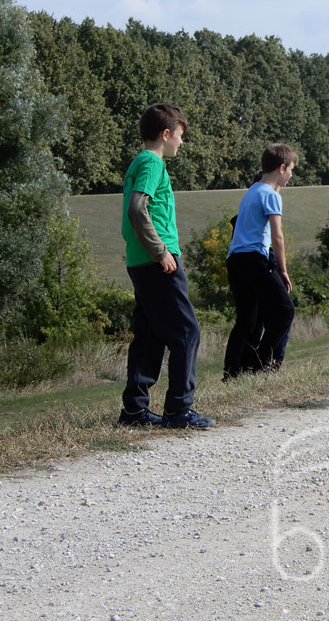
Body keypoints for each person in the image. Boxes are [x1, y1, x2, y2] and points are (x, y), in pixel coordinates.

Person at [119, 103, 214, 429]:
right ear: (165, 134)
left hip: (139, 260)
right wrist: (161, 252)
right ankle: (178, 410)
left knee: (149, 334)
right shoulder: (152, 163)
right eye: (179, 135)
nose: (181, 142)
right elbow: (137, 209)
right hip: (157, 261)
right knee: (187, 331)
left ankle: (134, 410)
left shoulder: (138, 162)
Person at [223, 145, 297, 378]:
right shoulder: (271, 195)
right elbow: (277, 237)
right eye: (291, 170)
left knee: (247, 319)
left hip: (235, 260)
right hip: (255, 259)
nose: (291, 176)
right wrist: (283, 270)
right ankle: (258, 364)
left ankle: (232, 372)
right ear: (281, 168)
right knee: (285, 311)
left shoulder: (252, 190)